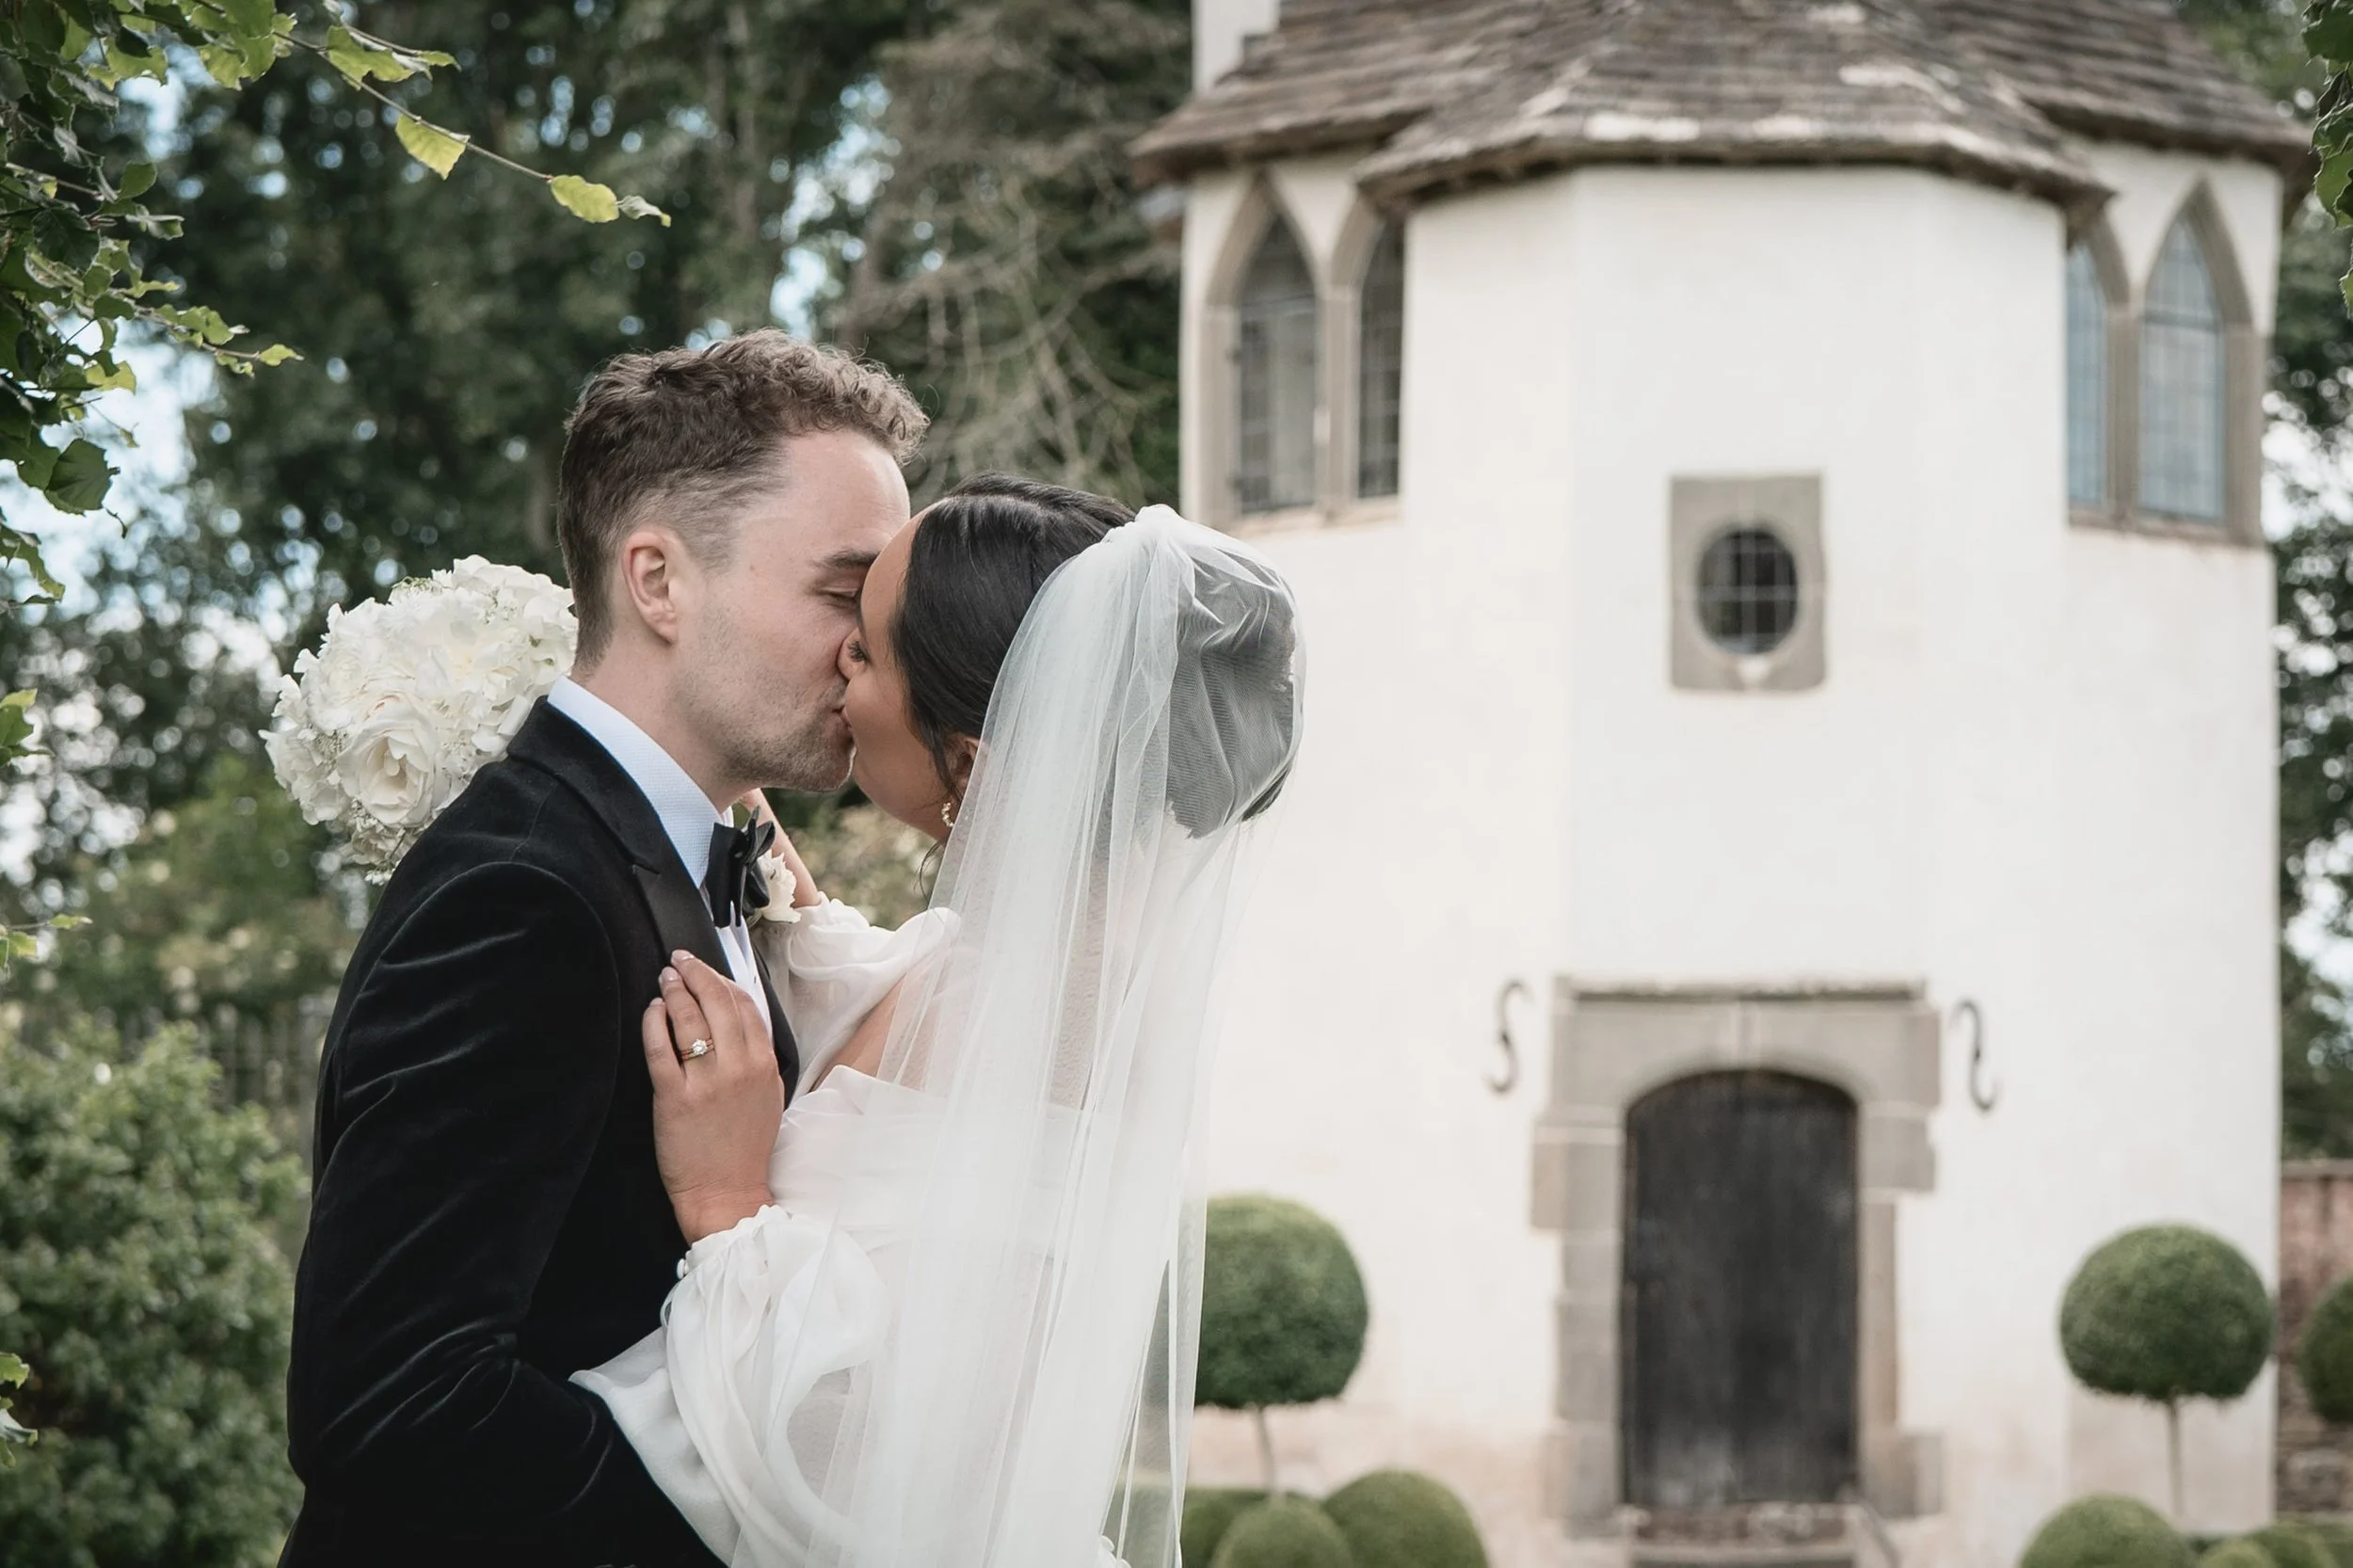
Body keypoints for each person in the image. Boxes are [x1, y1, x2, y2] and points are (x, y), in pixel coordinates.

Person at [280, 332, 928, 1568]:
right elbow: (388, 1402)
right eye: (841, 593)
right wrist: (748, 1524)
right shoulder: (525, 891)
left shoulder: (707, 860)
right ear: (659, 581)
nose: (866, 647)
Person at [575, 475, 1303, 1568]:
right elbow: (879, 994)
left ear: (968, 763)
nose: (837, 666)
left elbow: (867, 1463)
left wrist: (727, 1208)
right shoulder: (1022, 960)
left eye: (865, 650)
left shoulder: (1068, 1038)